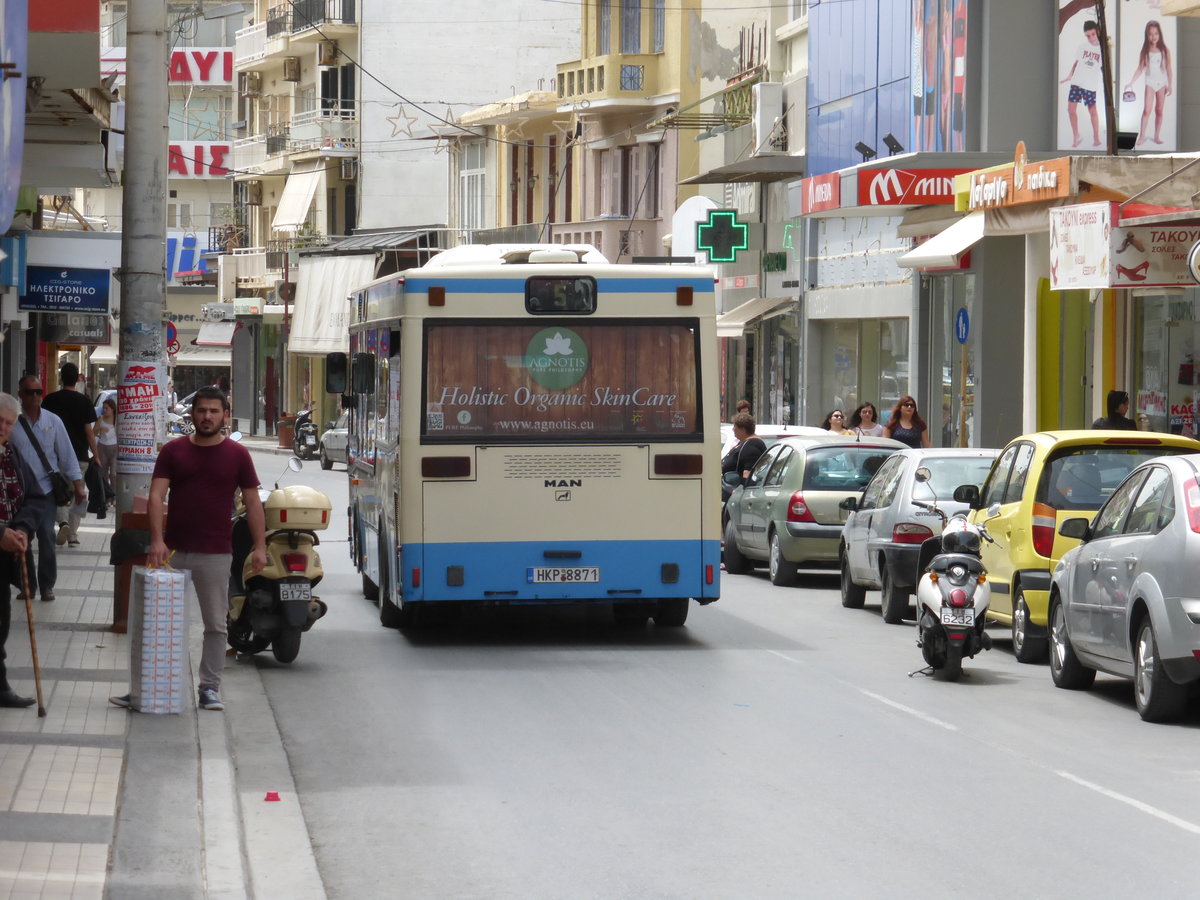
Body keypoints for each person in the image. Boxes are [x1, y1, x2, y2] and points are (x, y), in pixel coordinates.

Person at [113, 388, 266, 713]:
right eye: (201, 411)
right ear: (192, 414)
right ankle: (143, 688)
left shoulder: (238, 455)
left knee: (215, 624)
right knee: (153, 623)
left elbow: (252, 501)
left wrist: (260, 546)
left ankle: (209, 688)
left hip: (216, 554)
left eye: (214, 411)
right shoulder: (174, 451)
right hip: (173, 553)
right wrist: (157, 540)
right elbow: (156, 496)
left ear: (225, 415)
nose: (207, 416)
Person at [0, 392, 53, 708]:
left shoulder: (12, 453)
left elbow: (36, 497)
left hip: (7, 553)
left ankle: (0, 685)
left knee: (1, 620)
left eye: (9, 423)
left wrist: (20, 528)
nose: (4, 428)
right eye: (0, 421)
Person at [9, 376, 81, 604]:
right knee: (22, 540)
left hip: (46, 491)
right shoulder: (12, 424)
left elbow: (67, 454)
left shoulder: (53, 421)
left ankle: (47, 585)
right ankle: (27, 585)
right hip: (18, 493)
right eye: (29, 392)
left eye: (38, 392)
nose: (35, 397)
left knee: (48, 537)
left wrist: (78, 483)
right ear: (20, 395)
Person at [41, 362, 97, 548]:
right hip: (80, 457)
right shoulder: (84, 401)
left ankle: (62, 521)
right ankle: (73, 535)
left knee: (58, 491)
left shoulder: (50, 400)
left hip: (54, 457)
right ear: (77, 378)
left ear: (61, 377)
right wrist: (95, 454)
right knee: (77, 494)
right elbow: (89, 432)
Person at [1124, 20, 1172, 147]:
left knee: (1159, 110)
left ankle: (1157, 136)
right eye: (1150, 34)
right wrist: (1131, 82)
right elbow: (1140, 68)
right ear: (1147, 35)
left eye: (1156, 33)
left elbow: (1168, 69)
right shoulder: (1145, 50)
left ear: (1159, 34)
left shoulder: (1165, 50)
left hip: (1161, 83)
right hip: (1150, 83)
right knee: (1147, 110)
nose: (1153, 36)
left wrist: (1170, 84)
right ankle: (1142, 136)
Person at [1060, 20, 1104, 149]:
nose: (1090, 38)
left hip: (1090, 84)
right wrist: (1070, 75)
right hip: (1077, 82)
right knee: (1071, 110)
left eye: (1093, 34)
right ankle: (1076, 136)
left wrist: (1108, 81)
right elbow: (1076, 62)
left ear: (1097, 32)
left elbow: (1103, 68)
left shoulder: (1102, 49)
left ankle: (1096, 138)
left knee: (1092, 111)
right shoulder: (1082, 46)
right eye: (1088, 35)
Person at [728, 412, 767, 483]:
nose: (733, 429)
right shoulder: (745, 442)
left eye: (735, 426)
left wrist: (740, 489)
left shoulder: (752, 445)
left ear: (742, 429)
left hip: (735, 490)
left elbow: (748, 474)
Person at [95, 397, 117, 498]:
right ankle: (106, 496)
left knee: (113, 473)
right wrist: (100, 428)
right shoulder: (101, 419)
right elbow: (93, 432)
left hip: (114, 448)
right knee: (103, 473)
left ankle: (114, 495)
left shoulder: (117, 419)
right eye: (103, 408)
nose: (104, 410)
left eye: (107, 408)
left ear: (112, 409)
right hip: (102, 446)